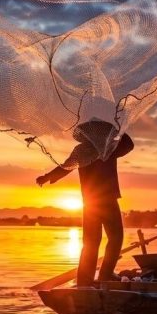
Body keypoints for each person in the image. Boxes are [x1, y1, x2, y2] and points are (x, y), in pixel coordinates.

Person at [37, 120, 134, 286]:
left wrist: (47, 177)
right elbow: (128, 144)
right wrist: (119, 129)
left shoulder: (83, 150)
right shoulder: (108, 148)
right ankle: (105, 275)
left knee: (90, 241)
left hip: (89, 202)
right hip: (106, 199)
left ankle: (84, 280)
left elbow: (65, 167)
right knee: (115, 237)